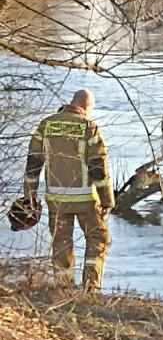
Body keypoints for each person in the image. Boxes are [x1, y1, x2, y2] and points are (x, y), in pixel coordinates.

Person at [23, 89, 114, 291]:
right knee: (98, 239)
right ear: (87, 106)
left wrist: (30, 194)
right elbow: (98, 168)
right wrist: (108, 200)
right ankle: (91, 289)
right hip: (86, 201)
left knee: (61, 243)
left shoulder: (46, 125)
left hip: (56, 200)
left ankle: (63, 289)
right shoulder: (89, 127)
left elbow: (33, 163)